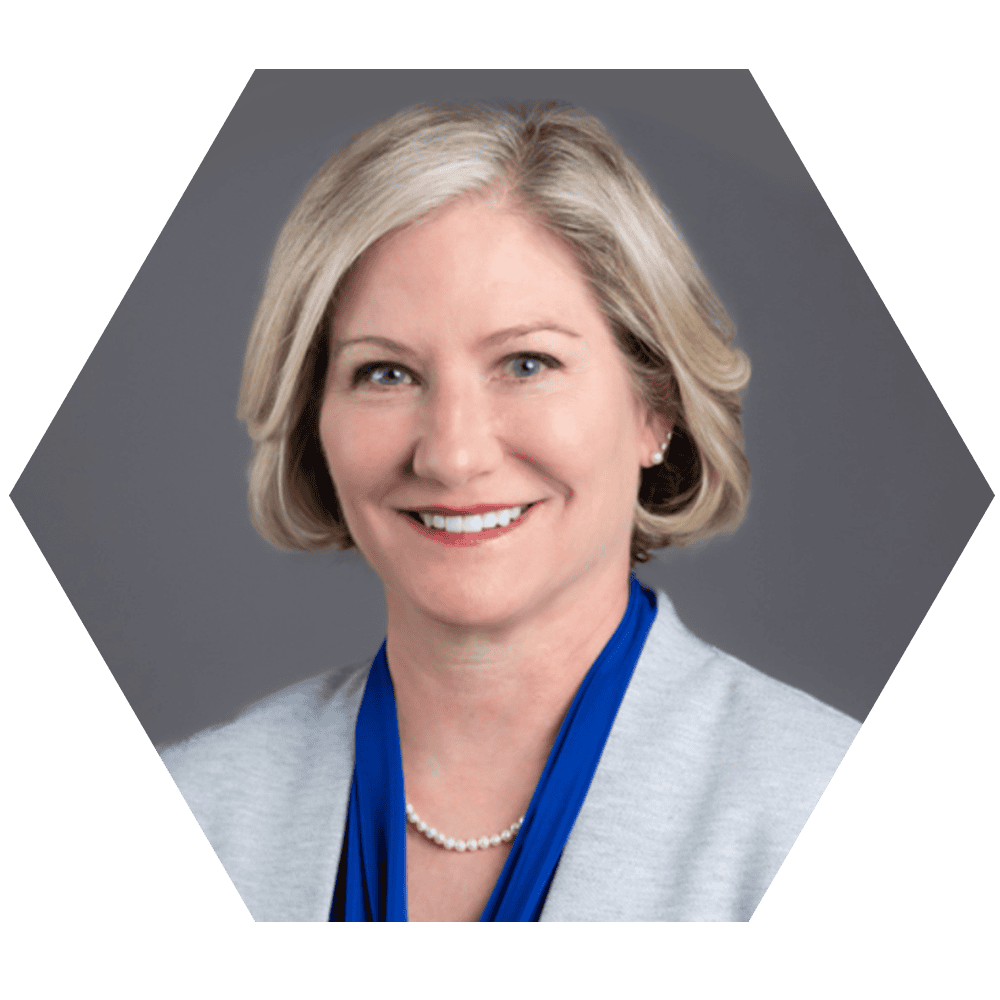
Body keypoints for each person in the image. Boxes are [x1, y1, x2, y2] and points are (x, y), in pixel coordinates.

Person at [159, 102, 859, 922]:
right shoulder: (195, 813)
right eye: (385, 374)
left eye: (526, 362)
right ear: (314, 417)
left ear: (655, 407)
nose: (452, 455)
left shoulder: (819, 806)